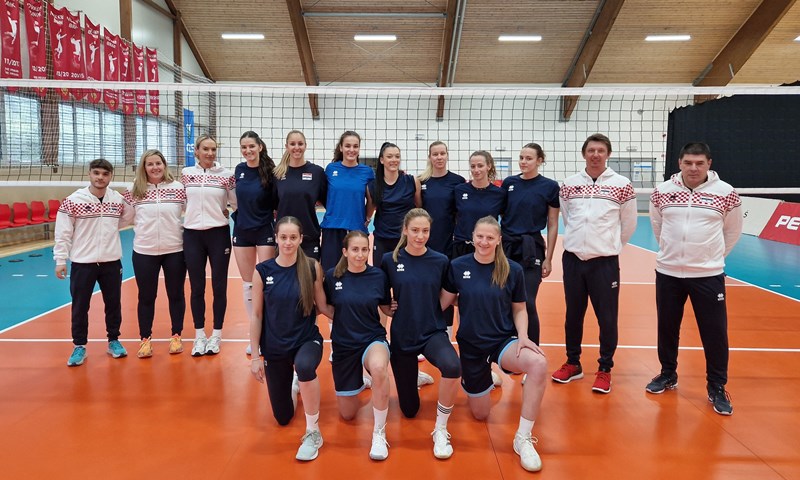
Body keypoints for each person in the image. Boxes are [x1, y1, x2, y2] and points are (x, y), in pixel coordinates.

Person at [441, 216, 547, 472]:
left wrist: (523, 336)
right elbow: (443, 302)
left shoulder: (512, 269)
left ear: (499, 240)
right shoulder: (458, 266)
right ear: (472, 237)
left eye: (490, 237)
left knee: (538, 364)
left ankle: (523, 438)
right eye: (480, 236)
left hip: (502, 342)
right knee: (481, 414)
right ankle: (486, 376)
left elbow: (519, 308)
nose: (484, 242)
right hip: (471, 347)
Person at [646, 142, 742, 416]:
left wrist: (711, 257)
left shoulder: (726, 193)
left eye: (699, 163)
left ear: (709, 164)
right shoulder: (663, 191)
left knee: (714, 333)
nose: (693, 168)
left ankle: (717, 386)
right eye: (688, 162)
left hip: (707, 275)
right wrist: (672, 254)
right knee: (667, 327)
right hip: (668, 273)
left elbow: (732, 231)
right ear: (679, 163)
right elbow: (658, 226)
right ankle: (668, 373)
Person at [552, 133, 637, 394]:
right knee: (573, 315)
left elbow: (629, 223)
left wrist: (609, 247)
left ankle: (605, 368)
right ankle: (573, 363)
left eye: (601, 150)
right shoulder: (569, 184)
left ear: (608, 154)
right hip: (573, 260)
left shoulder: (622, 184)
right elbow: (568, 216)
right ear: (584, 154)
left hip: (604, 263)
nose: (596, 155)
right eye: (591, 150)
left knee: (607, 318)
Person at [380, 208, 461, 460]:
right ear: (405, 230)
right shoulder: (390, 260)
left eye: (425, 231)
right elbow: (381, 296)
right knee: (409, 410)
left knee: (452, 366)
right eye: (415, 230)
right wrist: (388, 307)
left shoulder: (440, 260)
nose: (420, 236)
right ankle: (415, 377)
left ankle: (441, 427)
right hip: (403, 335)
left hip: (432, 332)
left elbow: (449, 294)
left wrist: (431, 309)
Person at [249, 216, 328, 461]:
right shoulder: (263, 271)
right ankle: (295, 386)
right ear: (276, 238)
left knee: (304, 366)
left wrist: (361, 316)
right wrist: (255, 356)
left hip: (306, 340)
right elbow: (257, 315)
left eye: (293, 237)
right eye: (283, 237)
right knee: (283, 418)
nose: (288, 242)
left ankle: (313, 431)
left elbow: (323, 306)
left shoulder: (311, 267)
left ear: (301, 239)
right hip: (275, 347)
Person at [54, 158, 134, 366]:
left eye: (105, 174)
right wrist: (60, 259)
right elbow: (63, 232)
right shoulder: (74, 200)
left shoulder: (117, 199)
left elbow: (128, 216)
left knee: (113, 304)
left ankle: (114, 340)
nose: (100, 177)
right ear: (89, 174)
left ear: (111, 176)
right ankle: (79, 346)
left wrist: (110, 227)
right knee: (80, 306)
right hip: (83, 263)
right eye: (96, 173)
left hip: (111, 262)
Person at [322, 231, 393, 460]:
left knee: (379, 368)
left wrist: (403, 304)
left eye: (364, 249)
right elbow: (326, 307)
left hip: (372, 338)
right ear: (345, 251)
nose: (360, 255)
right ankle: (361, 381)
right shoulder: (332, 277)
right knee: (348, 414)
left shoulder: (378, 276)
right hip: (344, 345)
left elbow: (386, 307)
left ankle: (379, 432)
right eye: (355, 249)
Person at [124, 149, 187, 358]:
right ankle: (145, 339)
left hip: (175, 250)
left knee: (176, 294)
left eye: (158, 163)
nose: (155, 167)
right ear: (144, 167)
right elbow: (125, 218)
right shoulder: (134, 190)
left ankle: (176, 335)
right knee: (146, 296)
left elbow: (194, 209)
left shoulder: (178, 188)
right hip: (144, 250)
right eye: (150, 164)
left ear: (164, 165)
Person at [181, 135, 236, 357]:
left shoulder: (227, 175)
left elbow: (235, 203)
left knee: (219, 286)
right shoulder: (186, 174)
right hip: (192, 235)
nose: (210, 153)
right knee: (197, 287)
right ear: (196, 151)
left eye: (213, 149)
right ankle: (199, 335)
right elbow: (182, 202)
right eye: (205, 149)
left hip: (218, 234)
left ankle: (216, 335)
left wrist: (224, 212)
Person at [501, 143, 560, 346]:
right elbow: (501, 213)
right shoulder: (509, 183)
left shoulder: (550, 186)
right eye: (521, 158)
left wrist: (548, 258)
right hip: (507, 248)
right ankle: (508, 347)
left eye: (528, 158)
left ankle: (531, 349)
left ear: (539, 161)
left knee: (527, 301)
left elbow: (553, 223)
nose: (523, 162)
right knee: (505, 300)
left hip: (531, 248)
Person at [232, 131, 277, 355]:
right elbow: (234, 198)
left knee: (266, 282)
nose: (248, 150)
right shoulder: (239, 170)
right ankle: (255, 335)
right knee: (248, 284)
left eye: (251, 146)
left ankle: (270, 333)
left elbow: (277, 201)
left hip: (264, 230)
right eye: (244, 147)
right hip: (242, 231)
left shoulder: (270, 171)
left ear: (260, 146)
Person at [419, 141, 465, 341]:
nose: (439, 157)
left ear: (447, 155)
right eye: (435, 154)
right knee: (425, 291)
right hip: (425, 247)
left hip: (449, 246)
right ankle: (423, 334)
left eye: (442, 153)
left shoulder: (458, 181)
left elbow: (460, 213)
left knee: (448, 290)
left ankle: (445, 336)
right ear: (429, 157)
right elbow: (418, 211)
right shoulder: (422, 181)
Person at [319, 131, 374, 272]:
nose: (351, 150)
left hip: (356, 227)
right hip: (332, 227)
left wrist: (368, 218)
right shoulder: (331, 169)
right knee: (330, 271)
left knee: (356, 271)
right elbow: (325, 195)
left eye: (355, 146)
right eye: (348, 146)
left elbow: (371, 199)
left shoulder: (367, 172)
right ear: (341, 148)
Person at [366, 142, 421, 268]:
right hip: (382, 239)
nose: (394, 160)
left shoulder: (411, 181)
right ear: (382, 160)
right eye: (389, 156)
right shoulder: (373, 186)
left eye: (397, 156)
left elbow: (419, 208)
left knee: (405, 277)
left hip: (405, 239)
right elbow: (369, 213)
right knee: (381, 276)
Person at [274, 130, 327, 259]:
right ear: (286, 146)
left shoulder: (317, 172)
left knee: (311, 272)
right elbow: (273, 205)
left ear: (305, 145)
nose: (296, 147)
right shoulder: (277, 174)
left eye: (300, 144)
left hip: (309, 236)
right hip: (285, 238)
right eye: (292, 144)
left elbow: (327, 202)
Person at [452, 150, 507, 258]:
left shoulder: (499, 193)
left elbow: (505, 220)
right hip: (462, 246)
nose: (476, 170)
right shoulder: (459, 190)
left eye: (480, 166)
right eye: (473, 166)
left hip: (486, 247)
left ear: (488, 166)